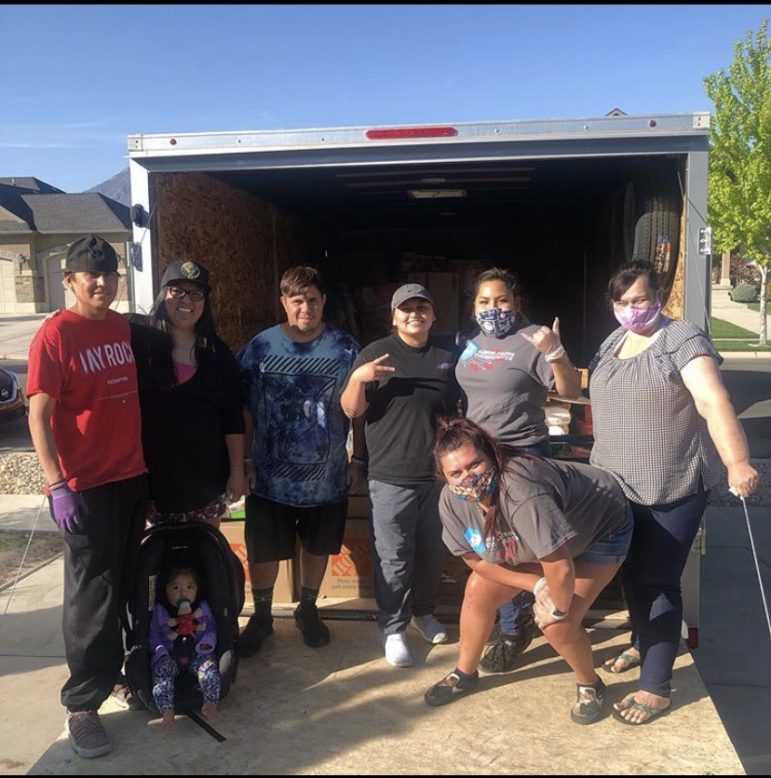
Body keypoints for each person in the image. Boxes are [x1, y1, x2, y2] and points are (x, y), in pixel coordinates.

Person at [588, 259, 759, 725]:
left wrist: (736, 461)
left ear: (658, 296)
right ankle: (642, 643)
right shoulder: (613, 341)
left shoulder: (681, 340)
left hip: (670, 485)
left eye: (639, 299)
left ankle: (656, 685)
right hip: (616, 487)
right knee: (628, 573)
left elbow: (712, 399)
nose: (630, 309)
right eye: (621, 303)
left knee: (656, 582)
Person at [424, 416, 633, 724]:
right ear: (444, 477)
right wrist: (534, 585)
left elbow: (560, 568)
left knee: (557, 624)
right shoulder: (451, 503)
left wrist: (557, 609)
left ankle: (590, 683)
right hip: (546, 541)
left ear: (491, 455)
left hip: (599, 531)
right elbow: (473, 559)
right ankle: (464, 673)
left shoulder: (521, 492)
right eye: (456, 473)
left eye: (474, 465)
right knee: (476, 590)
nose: (467, 478)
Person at [26, 234, 149, 758]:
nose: (101, 283)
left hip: (130, 478)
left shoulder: (121, 325)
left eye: (109, 274)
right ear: (70, 280)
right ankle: (81, 704)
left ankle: (113, 675)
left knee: (123, 585)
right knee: (91, 597)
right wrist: (57, 485)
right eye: (89, 275)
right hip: (86, 488)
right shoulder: (55, 335)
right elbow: (38, 414)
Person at [456, 266, 582, 673]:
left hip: (521, 456)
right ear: (473, 306)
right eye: (484, 302)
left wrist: (556, 352)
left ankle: (517, 628)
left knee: (519, 546)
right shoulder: (470, 342)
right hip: (479, 458)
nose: (493, 309)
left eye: (501, 300)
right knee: (492, 544)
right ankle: (512, 622)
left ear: (517, 302)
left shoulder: (533, 340)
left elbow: (570, 392)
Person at [237, 265, 362, 654]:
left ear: (323, 301)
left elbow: (360, 408)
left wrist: (357, 460)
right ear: (284, 303)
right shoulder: (261, 347)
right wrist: (244, 463)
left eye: (312, 299)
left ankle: (308, 609)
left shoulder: (345, 349)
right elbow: (243, 411)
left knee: (317, 546)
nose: (305, 307)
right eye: (297, 300)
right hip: (269, 476)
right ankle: (261, 617)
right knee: (264, 549)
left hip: (326, 478)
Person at [340, 282, 460, 668]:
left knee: (429, 552)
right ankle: (393, 628)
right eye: (406, 309)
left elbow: (459, 411)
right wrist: (359, 379)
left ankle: (424, 614)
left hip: (435, 476)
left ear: (433, 314)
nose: (414, 314)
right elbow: (351, 411)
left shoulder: (447, 357)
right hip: (390, 474)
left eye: (422, 307)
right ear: (394, 317)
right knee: (394, 557)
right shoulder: (376, 353)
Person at [128, 259, 246, 529]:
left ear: (205, 302)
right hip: (151, 483)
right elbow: (93, 327)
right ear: (163, 294)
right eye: (177, 291)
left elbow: (233, 417)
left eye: (195, 293)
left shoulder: (217, 352)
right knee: (158, 563)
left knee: (204, 558)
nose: (186, 301)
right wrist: (63, 320)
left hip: (205, 481)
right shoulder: (137, 337)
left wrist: (237, 472)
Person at [149, 564, 221, 727]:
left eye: (190, 587)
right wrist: (160, 652)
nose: (183, 593)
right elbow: (153, 635)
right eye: (175, 587)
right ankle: (166, 708)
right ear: (164, 590)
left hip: (198, 652)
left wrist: (204, 646)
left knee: (209, 670)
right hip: (169, 654)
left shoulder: (202, 609)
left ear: (197, 589)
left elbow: (211, 630)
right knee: (161, 675)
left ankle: (210, 700)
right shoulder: (160, 612)